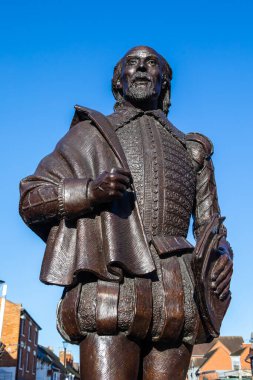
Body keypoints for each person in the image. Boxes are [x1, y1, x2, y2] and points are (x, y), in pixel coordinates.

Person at [19, 46, 233, 379]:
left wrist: (221, 257)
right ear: (119, 81)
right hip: (109, 285)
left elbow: (211, 228)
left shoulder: (191, 150)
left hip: (175, 294)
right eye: (132, 64)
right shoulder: (88, 135)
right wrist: (89, 191)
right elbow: (32, 198)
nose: (142, 69)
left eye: (152, 64)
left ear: (164, 81)